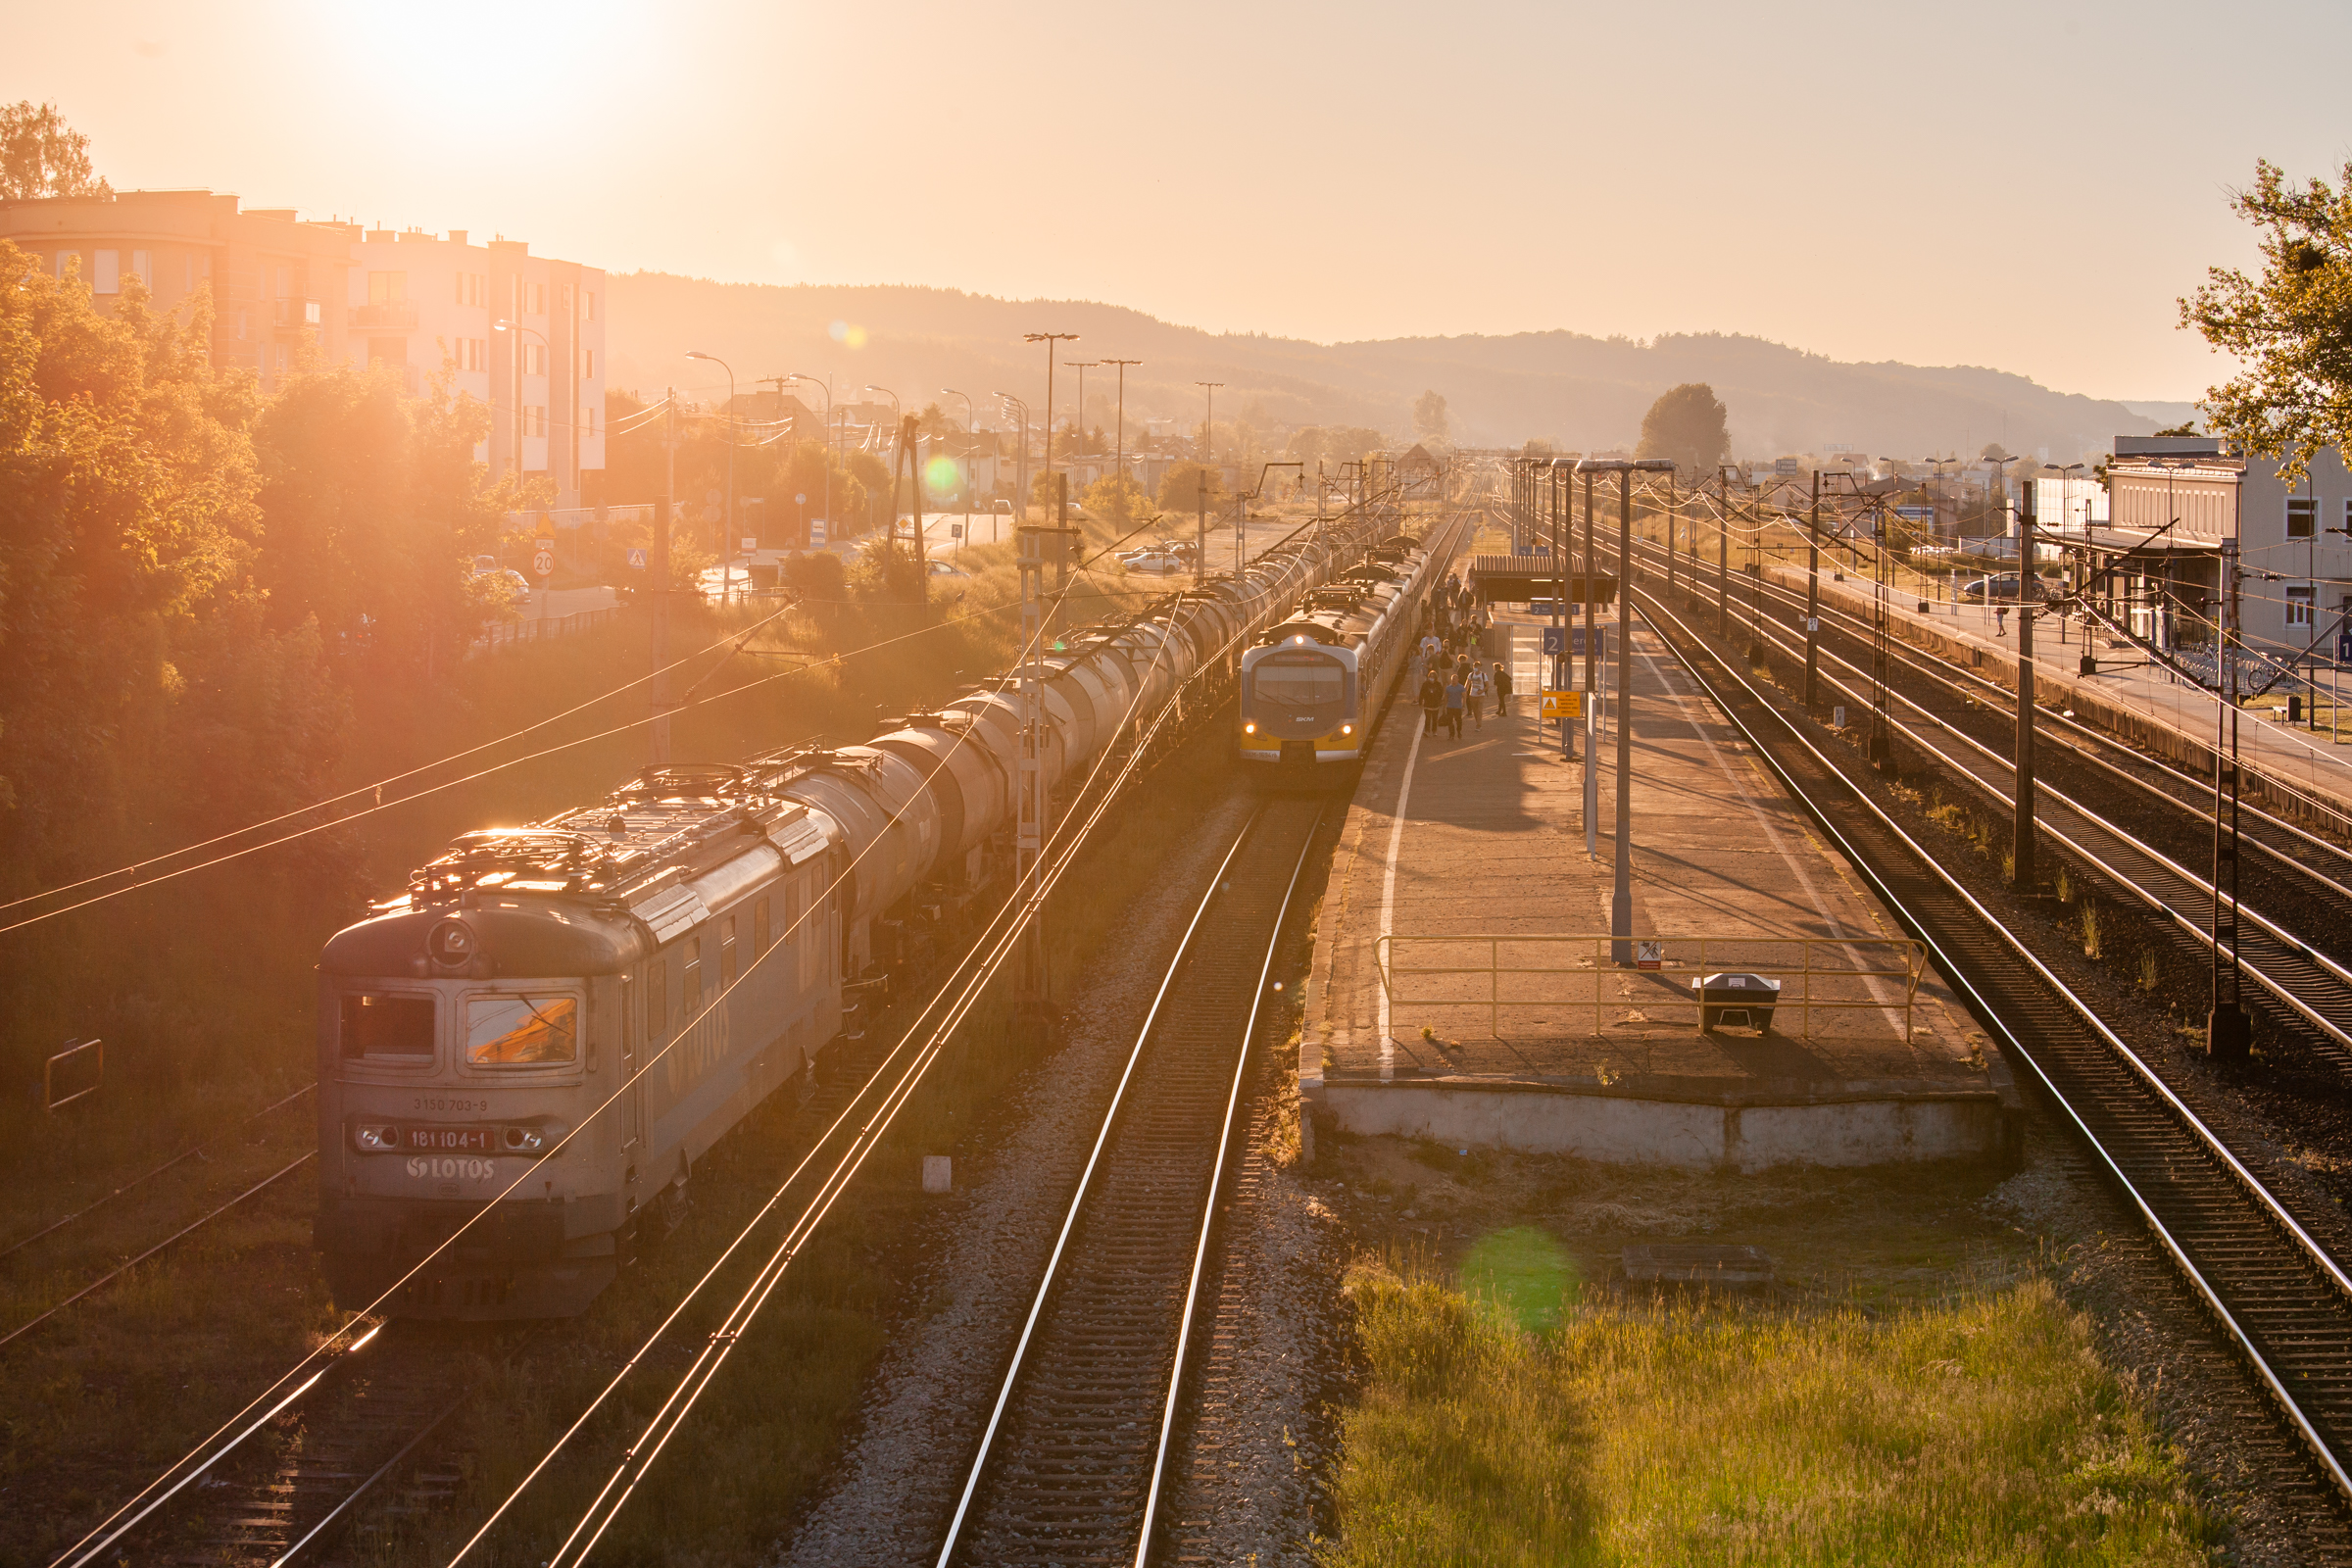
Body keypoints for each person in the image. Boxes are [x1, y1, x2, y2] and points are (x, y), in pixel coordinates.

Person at [1419, 665, 1445, 734]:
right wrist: (1420, 701)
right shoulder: (1425, 684)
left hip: (1435, 704)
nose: (1431, 678)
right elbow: (1422, 693)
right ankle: (1427, 731)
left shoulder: (1438, 684)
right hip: (1427, 704)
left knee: (1434, 718)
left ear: (1435, 678)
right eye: (1430, 677)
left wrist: (1439, 700)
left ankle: (1434, 730)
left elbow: (1441, 693)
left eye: (1433, 677)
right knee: (1427, 719)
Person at [1466, 661, 1490, 730]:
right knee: (1475, 711)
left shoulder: (1483, 676)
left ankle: (1479, 725)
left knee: (1479, 710)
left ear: (1480, 667)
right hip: (1472, 695)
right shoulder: (1471, 675)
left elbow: (1487, 686)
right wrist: (1465, 693)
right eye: (1474, 667)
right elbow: (1467, 684)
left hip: (1480, 695)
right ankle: (1478, 722)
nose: (1476, 668)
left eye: (1477, 666)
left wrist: (1481, 691)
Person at [1443, 670, 1466, 739]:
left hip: (1458, 707)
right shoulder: (1448, 688)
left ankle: (1459, 731)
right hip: (1450, 707)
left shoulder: (1461, 687)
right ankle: (1451, 734)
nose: (1454, 680)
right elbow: (1446, 697)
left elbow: (1464, 696)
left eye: (1455, 679)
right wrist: (1444, 706)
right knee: (1450, 721)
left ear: (1458, 680)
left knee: (1459, 721)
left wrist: (1463, 705)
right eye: (1453, 679)